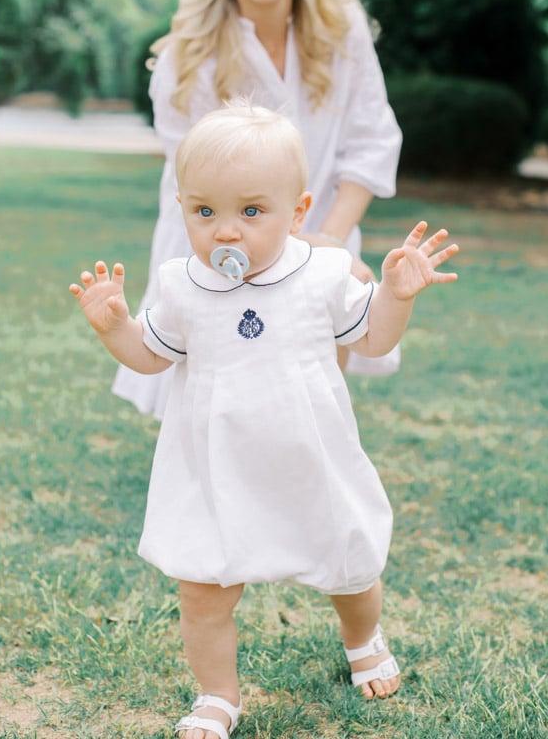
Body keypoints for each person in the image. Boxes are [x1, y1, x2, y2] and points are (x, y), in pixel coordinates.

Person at [70, 104, 459, 739]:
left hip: (310, 458)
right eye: (205, 212)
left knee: (351, 565)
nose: (226, 232)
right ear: (182, 208)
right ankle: (218, 694)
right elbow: (149, 357)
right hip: (215, 467)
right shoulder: (181, 285)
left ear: (298, 212)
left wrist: (394, 296)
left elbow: (372, 341)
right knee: (201, 588)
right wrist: (115, 326)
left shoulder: (323, 274)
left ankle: (362, 638)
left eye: (251, 212)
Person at [112, 0, 403, 419]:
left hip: (325, 232)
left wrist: (328, 243)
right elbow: (193, 175)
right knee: (217, 412)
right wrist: (256, 248)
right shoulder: (187, 53)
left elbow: (372, 141)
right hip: (220, 243)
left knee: (313, 408)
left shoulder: (343, 25)